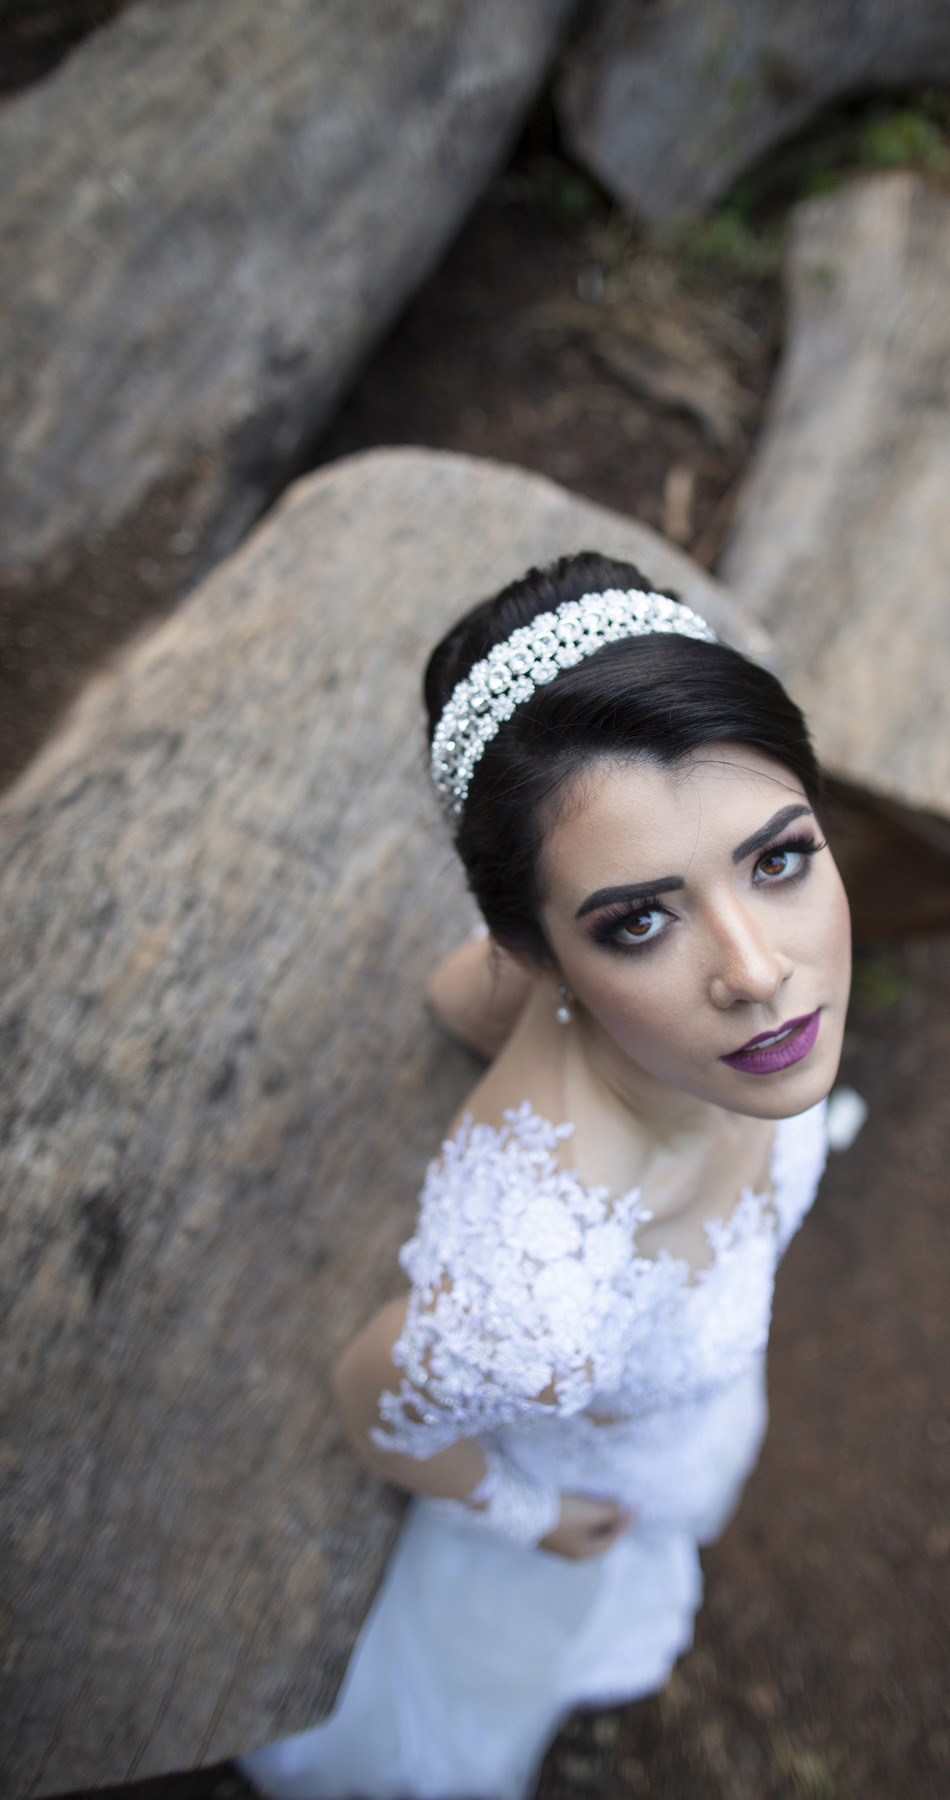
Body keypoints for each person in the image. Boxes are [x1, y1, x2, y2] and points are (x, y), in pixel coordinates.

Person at [239, 552, 852, 1800]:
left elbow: (455, 991)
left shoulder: (726, 1032)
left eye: (777, 859)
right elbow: (377, 1400)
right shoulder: (537, 1289)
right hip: (586, 1480)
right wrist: (530, 1518)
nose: (757, 970)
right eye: (640, 921)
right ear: (537, 948)